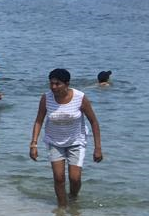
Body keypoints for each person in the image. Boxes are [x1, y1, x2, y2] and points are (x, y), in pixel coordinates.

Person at [30, 68, 103, 208]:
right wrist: (33, 144)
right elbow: (39, 120)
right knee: (59, 178)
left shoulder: (80, 98)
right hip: (54, 142)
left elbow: (94, 121)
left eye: (57, 84)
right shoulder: (46, 98)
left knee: (75, 178)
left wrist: (98, 148)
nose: (53, 87)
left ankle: (73, 199)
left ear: (67, 83)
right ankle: (61, 210)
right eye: (51, 83)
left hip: (76, 141)